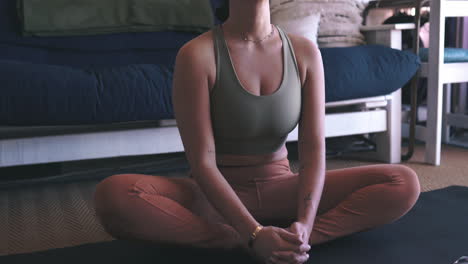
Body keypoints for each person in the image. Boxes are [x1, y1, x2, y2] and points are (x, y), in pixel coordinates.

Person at [93, 1, 421, 263]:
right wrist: (250, 235)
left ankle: (293, 243)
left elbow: (312, 151)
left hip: (283, 190)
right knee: (115, 195)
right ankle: (234, 240)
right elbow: (203, 164)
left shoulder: (305, 53)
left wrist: (305, 225)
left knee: (403, 183)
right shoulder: (197, 54)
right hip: (212, 198)